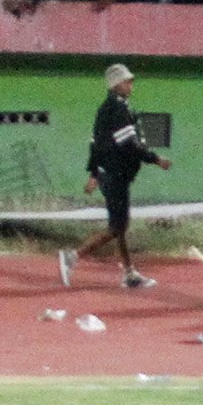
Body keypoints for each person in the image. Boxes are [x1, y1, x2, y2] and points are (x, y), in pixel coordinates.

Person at [65, 61, 165, 290]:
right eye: (127, 81)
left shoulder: (107, 109)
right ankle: (73, 256)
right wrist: (155, 159)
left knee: (120, 225)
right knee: (117, 226)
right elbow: (129, 144)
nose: (131, 85)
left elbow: (96, 144)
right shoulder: (118, 109)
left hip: (111, 174)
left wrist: (93, 173)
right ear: (116, 84)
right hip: (115, 175)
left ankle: (129, 273)